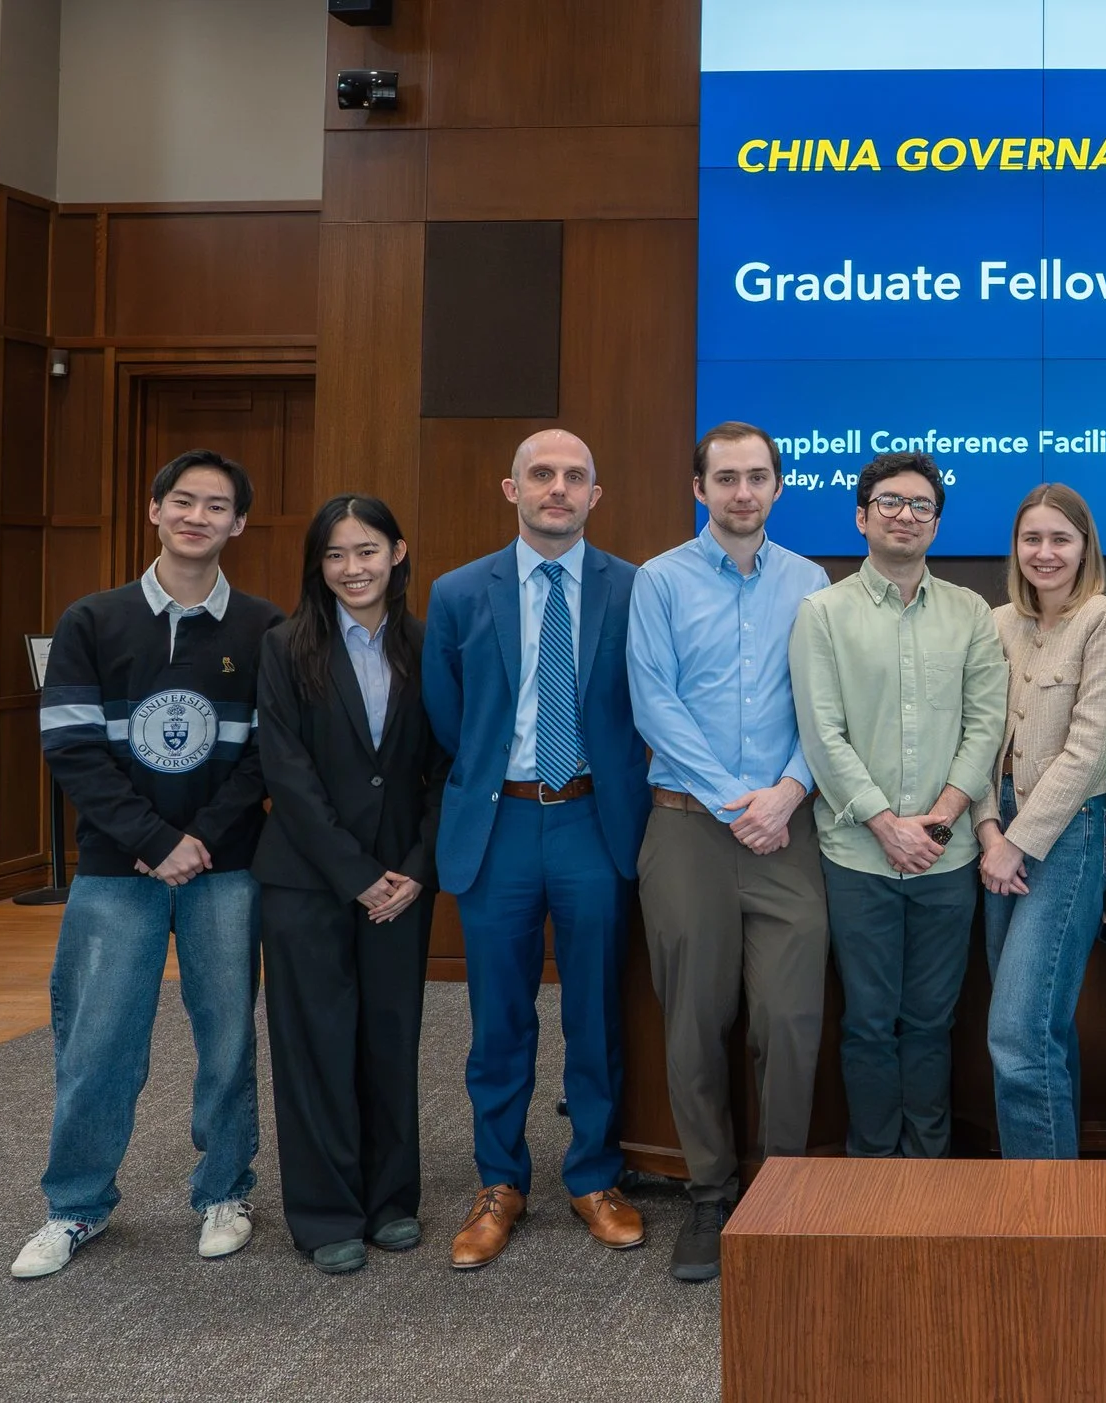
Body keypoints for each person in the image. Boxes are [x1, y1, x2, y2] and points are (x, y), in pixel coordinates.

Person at [15, 449, 283, 1279]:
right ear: (156, 509)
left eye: (217, 506)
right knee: (97, 1040)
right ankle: (76, 1206)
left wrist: (199, 837)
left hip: (226, 868)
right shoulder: (93, 620)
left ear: (238, 523)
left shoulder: (266, 628)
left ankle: (223, 1190)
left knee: (228, 1041)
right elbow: (72, 749)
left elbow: (269, 755)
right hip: (114, 871)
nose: (198, 516)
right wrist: (154, 841)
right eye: (184, 501)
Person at [422, 429, 652, 1270]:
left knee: (595, 1008)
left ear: (597, 495)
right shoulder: (455, 592)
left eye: (575, 476)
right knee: (499, 1018)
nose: (559, 488)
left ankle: (594, 1174)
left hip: (595, 819)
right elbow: (449, 720)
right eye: (542, 474)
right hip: (501, 823)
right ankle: (499, 1182)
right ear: (510, 489)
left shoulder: (635, 588)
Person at [628, 422, 832, 1281]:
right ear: (700, 488)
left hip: (788, 828)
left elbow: (828, 706)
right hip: (687, 828)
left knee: (790, 1019)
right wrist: (730, 800)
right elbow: (654, 702)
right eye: (727, 478)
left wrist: (785, 792)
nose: (742, 492)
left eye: (758, 478)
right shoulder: (661, 579)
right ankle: (711, 1194)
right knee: (694, 1019)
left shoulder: (812, 582)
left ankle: (780, 1188)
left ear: (779, 487)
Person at [790, 452, 1006, 1159]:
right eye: (889, 502)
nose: (904, 515)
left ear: (936, 524)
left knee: (933, 1022)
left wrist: (938, 820)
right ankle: (873, 1168)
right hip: (859, 855)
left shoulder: (970, 612)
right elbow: (822, 735)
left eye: (920, 505)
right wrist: (886, 824)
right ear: (860, 516)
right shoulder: (822, 613)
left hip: (946, 857)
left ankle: (929, 1169)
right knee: (869, 1022)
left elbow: (986, 726)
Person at [253, 493, 447, 1275]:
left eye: (367, 550)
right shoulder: (284, 646)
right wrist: (357, 875)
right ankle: (327, 1211)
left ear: (397, 553)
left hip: (403, 880)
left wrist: (415, 868)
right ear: (318, 565)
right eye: (335, 554)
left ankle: (391, 1199)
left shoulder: (429, 645)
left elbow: (446, 768)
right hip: (307, 880)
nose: (352, 568)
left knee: (390, 1039)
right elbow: (287, 776)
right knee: (314, 1044)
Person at [972, 484, 1106, 1159]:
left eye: (1060, 538)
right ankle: (1059, 1204)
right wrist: (987, 830)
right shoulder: (996, 620)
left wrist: (1017, 841)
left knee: (1016, 1033)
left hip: (1067, 834)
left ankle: (1037, 1217)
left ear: (1085, 546)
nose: (1045, 552)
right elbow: (977, 736)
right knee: (1040, 1030)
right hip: (997, 833)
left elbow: (1090, 748)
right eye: (1032, 538)